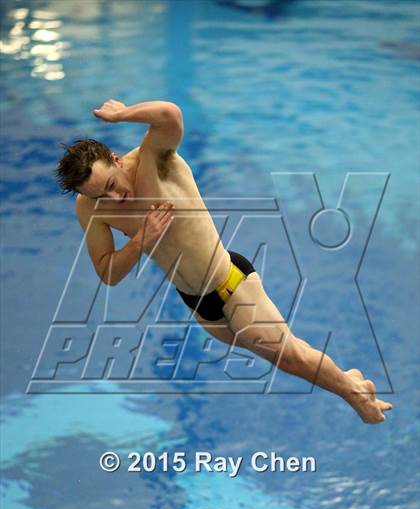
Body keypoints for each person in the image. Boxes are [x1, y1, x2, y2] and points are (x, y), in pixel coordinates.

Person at [55, 99, 393, 423]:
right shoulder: (90, 208)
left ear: (114, 159)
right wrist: (142, 238)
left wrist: (123, 114)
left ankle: (356, 395)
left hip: (230, 280)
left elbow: (169, 115)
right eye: (101, 195)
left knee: (287, 357)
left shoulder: (153, 159)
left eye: (112, 185)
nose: (114, 198)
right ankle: (352, 380)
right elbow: (108, 272)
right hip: (199, 305)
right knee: (290, 353)